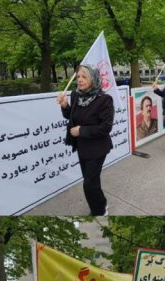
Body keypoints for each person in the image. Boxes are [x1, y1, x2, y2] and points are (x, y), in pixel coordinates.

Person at [57, 64, 113, 215]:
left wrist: (82, 130)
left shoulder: (105, 100)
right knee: (92, 181)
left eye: (84, 76)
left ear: (93, 79)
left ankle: (99, 211)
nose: (80, 80)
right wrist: (64, 105)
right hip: (82, 147)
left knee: (88, 184)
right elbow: (71, 116)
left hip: (98, 147)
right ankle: (102, 203)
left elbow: (106, 128)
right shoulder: (76, 95)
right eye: (78, 77)